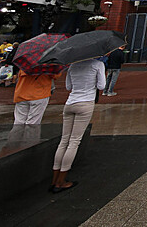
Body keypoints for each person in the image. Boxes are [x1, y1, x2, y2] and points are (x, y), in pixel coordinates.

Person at [51, 57, 106, 193]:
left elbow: (68, 87)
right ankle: (61, 181)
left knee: (64, 141)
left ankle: (54, 179)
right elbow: (101, 86)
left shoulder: (72, 66)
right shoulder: (97, 64)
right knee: (74, 141)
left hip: (70, 103)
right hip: (85, 103)